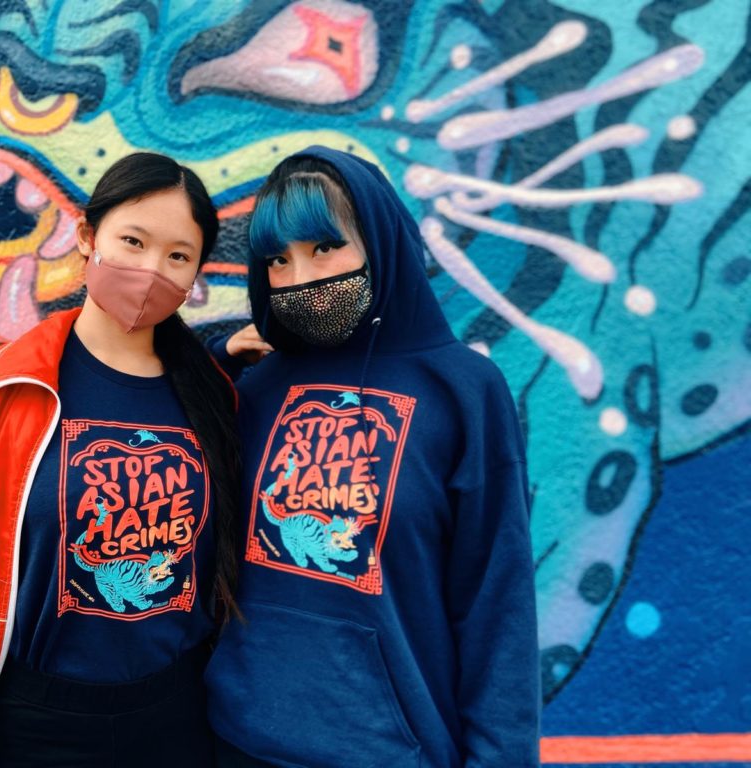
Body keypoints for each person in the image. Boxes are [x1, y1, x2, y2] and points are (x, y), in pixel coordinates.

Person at [0, 152, 241, 767]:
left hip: (174, 722)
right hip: (36, 724)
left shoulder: (214, 396)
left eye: (177, 256)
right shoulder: (1, 386)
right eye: (133, 241)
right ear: (85, 236)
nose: (151, 270)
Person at [204, 146, 540, 767]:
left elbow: (499, 604)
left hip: (390, 750)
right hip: (236, 742)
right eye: (278, 259)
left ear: (378, 240)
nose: (301, 278)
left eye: (324, 248)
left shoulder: (463, 392)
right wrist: (220, 363)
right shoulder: (256, 387)